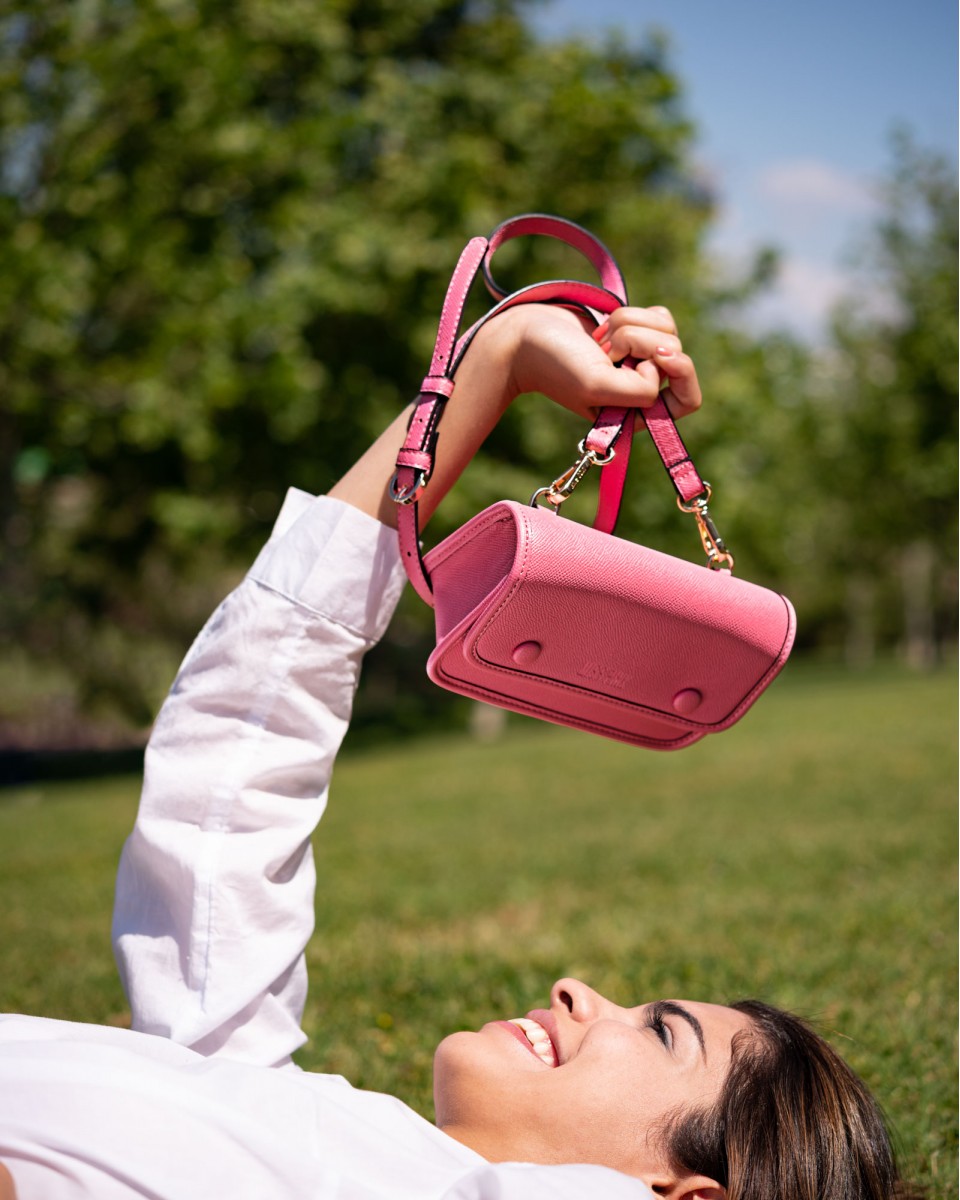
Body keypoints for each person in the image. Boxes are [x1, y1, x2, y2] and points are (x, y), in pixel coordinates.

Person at [0, 303, 913, 1200]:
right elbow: (234, 774)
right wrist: (492, 365)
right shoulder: (285, 1116)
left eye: (665, 1033)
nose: (577, 988)